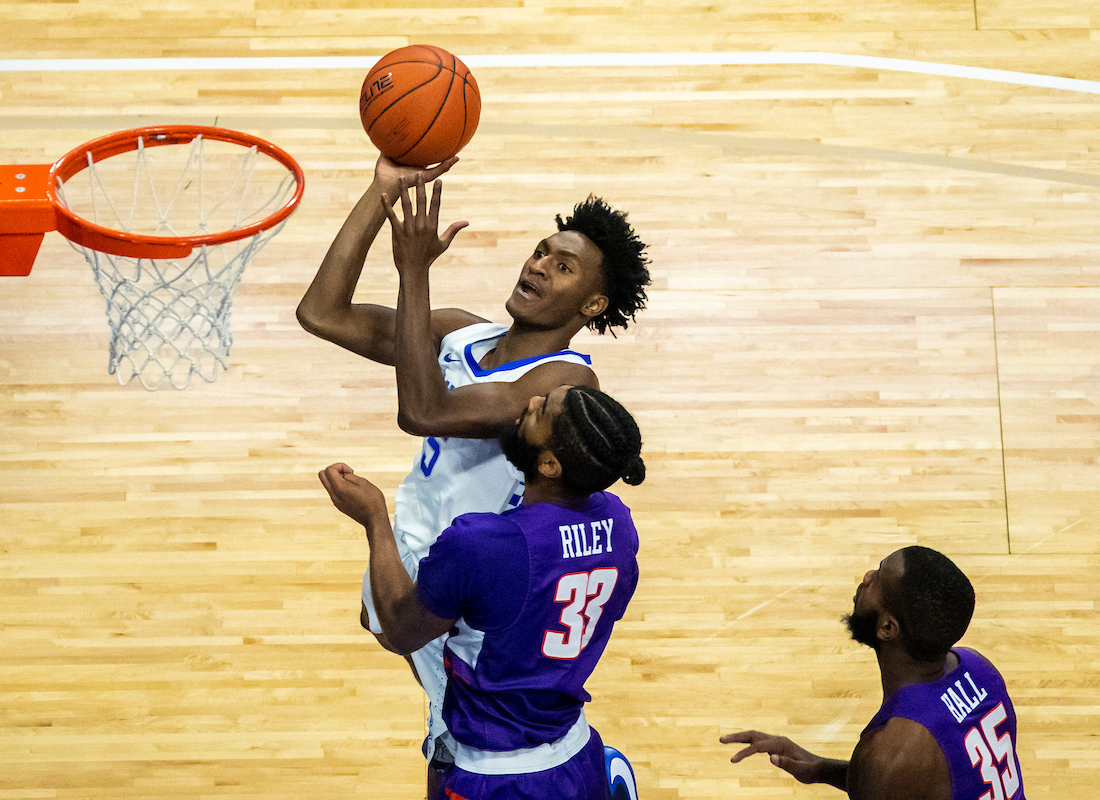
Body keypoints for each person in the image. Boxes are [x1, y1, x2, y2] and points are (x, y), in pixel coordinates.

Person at [297, 155, 651, 790]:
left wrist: (413, 272)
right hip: (425, 542)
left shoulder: (564, 381)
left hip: (486, 572)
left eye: (562, 266)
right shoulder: (462, 334)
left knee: (468, 729)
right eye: (542, 250)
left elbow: (424, 410)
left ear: (593, 302)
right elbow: (322, 312)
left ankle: (576, 765)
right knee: (391, 634)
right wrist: (379, 198)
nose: (538, 264)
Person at [318, 383, 645, 800]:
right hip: (576, 754)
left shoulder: (483, 544)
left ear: (548, 464)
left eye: (541, 411)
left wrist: (375, 519)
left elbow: (398, 632)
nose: (529, 402)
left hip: (495, 777)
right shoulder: (619, 523)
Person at [722, 546, 1025, 800]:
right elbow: (933, 780)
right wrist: (820, 768)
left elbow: (892, 774)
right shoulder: (980, 670)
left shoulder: (890, 751)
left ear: (887, 628)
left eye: (878, 579)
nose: (867, 577)